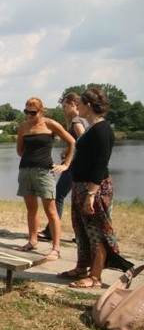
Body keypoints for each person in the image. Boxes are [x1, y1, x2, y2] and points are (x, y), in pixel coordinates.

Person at [63, 87, 126, 287]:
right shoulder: (91, 127)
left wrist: (91, 193)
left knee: (96, 231)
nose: (77, 108)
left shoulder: (101, 129)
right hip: (81, 185)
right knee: (81, 229)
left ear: (88, 106)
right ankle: (82, 267)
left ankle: (95, 276)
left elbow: (100, 164)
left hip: (94, 188)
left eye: (79, 105)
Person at [15, 97, 75, 261]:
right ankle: (32, 241)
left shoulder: (50, 124)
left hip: (44, 172)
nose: (29, 115)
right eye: (26, 111)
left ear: (41, 111)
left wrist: (66, 164)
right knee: (31, 210)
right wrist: (30, 159)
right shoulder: (23, 126)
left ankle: (56, 248)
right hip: (26, 171)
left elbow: (72, 142)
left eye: (32, 112)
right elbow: (20, 150)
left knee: (51, 210)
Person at [38, 93, 89, 240]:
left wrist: (69, 155)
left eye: (65, 106)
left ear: (74, 103)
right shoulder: (84, 120)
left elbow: (84, 140)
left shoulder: (77, 121)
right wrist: (68, 151)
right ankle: (82, 235)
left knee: (58, 195)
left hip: (74, 166)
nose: (63, 109)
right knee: (78, 199)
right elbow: (82, 141)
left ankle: (51, 231)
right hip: (79, 165)